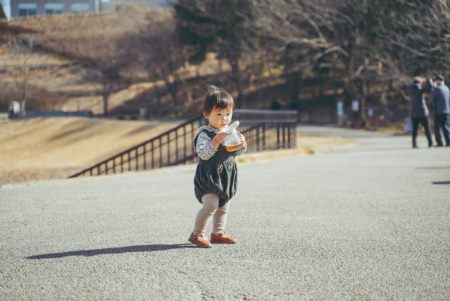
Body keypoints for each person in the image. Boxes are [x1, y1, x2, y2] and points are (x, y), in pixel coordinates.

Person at [188, 85, 247, 248]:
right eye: (219, 114)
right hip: (209, 176)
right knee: (211, 205)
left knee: (224, 205)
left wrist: (242, 145)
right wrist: (216, 141)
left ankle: (218, 233)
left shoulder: (231, 132)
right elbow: (204, 154)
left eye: (228, 114)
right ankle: (197, 233)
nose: (224, 119)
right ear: (207, 114)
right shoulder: (204, 134)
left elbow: (235, 153)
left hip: (226, 175)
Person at [407, 76, 433, 148]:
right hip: (422, 111)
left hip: (413, 112)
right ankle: (430, 142)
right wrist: (428, 80)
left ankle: (414, 144)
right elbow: (429, 88)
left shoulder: (410, 89)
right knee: (427, 128)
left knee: (414, 129)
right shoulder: (419, 89)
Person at [430, 74, 450, 147]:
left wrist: (433, 89)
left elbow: (431, 98)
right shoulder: (447, 88)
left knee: (437, 128)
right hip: (447, 111)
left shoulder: (437, 89)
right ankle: (448, 141)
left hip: (438, 111)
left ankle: (439, 142)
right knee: (446, 127)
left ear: (438, 81)